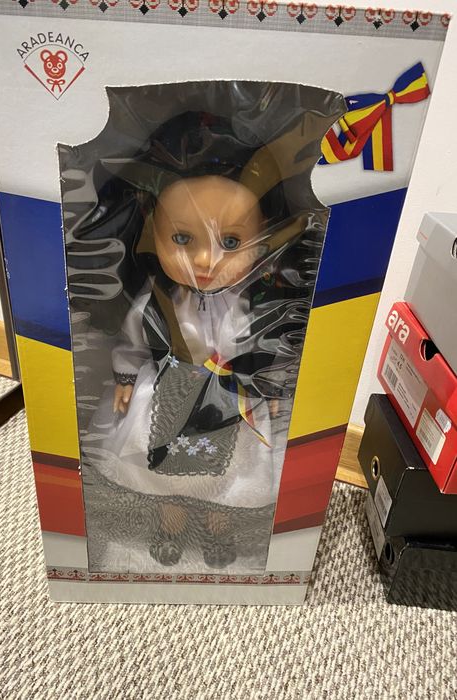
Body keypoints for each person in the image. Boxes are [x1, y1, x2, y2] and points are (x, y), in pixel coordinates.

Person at [60, 82, 345, 574]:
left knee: (231, 473)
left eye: (231, 241)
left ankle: (219, 528)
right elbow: (133, 342)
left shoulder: (254, 304)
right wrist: (125, 379)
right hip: (167, 392)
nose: (206, 260)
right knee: (164, 469)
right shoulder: (156, 303)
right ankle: (169, 525)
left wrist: (268, 386)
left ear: (265, 239)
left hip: (232, 397)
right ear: (151, 231)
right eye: (182, 238)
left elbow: (266, 348)